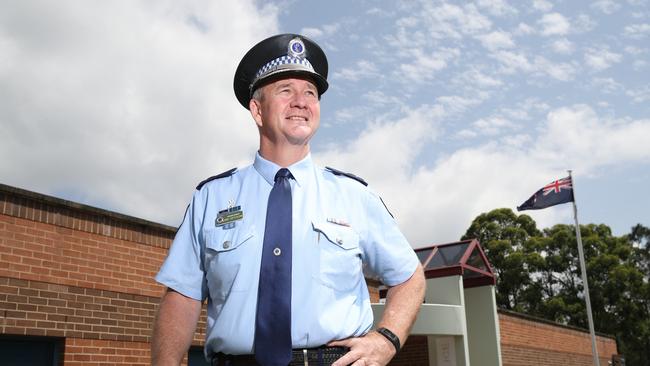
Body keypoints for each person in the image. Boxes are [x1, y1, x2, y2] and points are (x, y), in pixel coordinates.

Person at [151, 33, 425, 366]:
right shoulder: (211, 198)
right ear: (257, 109)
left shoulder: (354, 196)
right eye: (286, 91)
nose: (301, 101)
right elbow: (182, 295)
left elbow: (409, 276)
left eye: (310, 92)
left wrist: (386, 340)